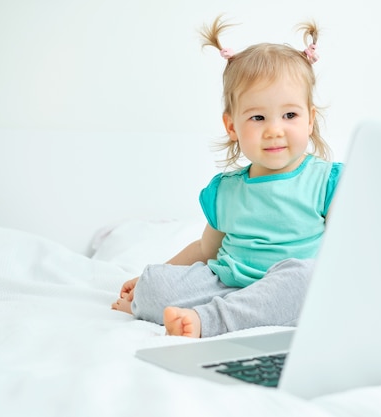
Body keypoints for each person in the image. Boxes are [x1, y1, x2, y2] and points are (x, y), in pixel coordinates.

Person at [111, 15, 342, 338]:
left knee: (308, 279)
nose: (275, 130)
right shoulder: (226, 191)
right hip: (229, 283)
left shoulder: (326, 181)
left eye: (289, 115)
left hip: (289, 286)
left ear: (309, 120)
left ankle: (210, 320)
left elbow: (348, 245)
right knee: (153, 283)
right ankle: (230, 309)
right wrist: (157, 276)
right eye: (258, 117)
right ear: (232, 127)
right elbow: (205, 250)